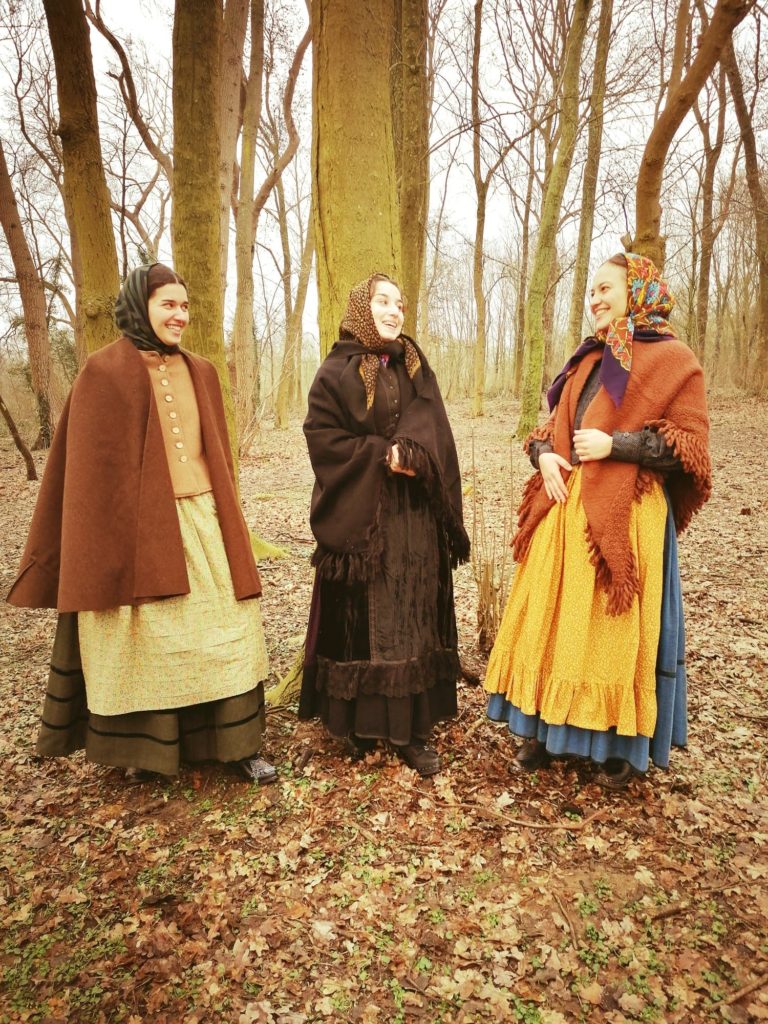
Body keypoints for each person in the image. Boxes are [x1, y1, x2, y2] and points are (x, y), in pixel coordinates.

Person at [8, 263, 276, 784]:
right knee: (147, 645)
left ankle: (236, 745)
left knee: (227, 632)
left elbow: (214, 453)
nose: (179, 315)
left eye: (184, 305)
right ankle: (150, 755)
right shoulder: (102, 372)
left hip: (204, 520)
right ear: (140, 306)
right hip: (135, 530)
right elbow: (87, 475)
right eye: (167, 305)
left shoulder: (203, 370)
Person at [484, 253, 712, 789]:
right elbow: (552, 429)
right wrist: (542, 455)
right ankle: (540, 731)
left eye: (606, 288)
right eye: (591, 291)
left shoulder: (676, 361)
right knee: (552, 620)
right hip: (564, 513)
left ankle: (616, 748)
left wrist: (618, 445)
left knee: (610, 631)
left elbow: (691, 449)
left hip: (626, 515)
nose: (595, 299)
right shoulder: (587, 360)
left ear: (639, 292)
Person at [298, 273, 469, 777]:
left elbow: (434, 424)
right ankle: (358, 722)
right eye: (382, 301)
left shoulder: (416, 365)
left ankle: (411, 730)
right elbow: (322, 436)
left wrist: (415, 453)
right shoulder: (335, 371)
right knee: (365, 619)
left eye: (399, 302)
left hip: (414, 520)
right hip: (362, 521)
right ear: (360, 308)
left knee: (411, 617)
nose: (394, 311)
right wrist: (380, 454)